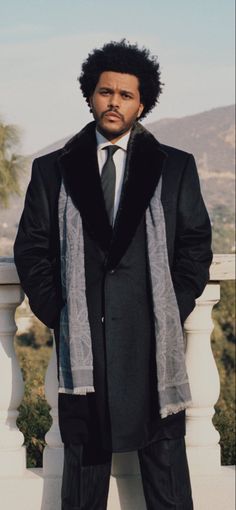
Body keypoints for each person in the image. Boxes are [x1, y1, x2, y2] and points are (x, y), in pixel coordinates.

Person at [14, 40, 212, 510]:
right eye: (106, 92)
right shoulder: (52, 170)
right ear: (90, 95)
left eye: (126, 95)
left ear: (142, 103)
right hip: (86, 344)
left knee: (166, 471)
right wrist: (59, 311)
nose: (114, 102)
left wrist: (167, 307)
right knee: (84, 471)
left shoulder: (175, 166)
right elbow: (32, 249)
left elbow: (194, 248)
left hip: (152, 343)